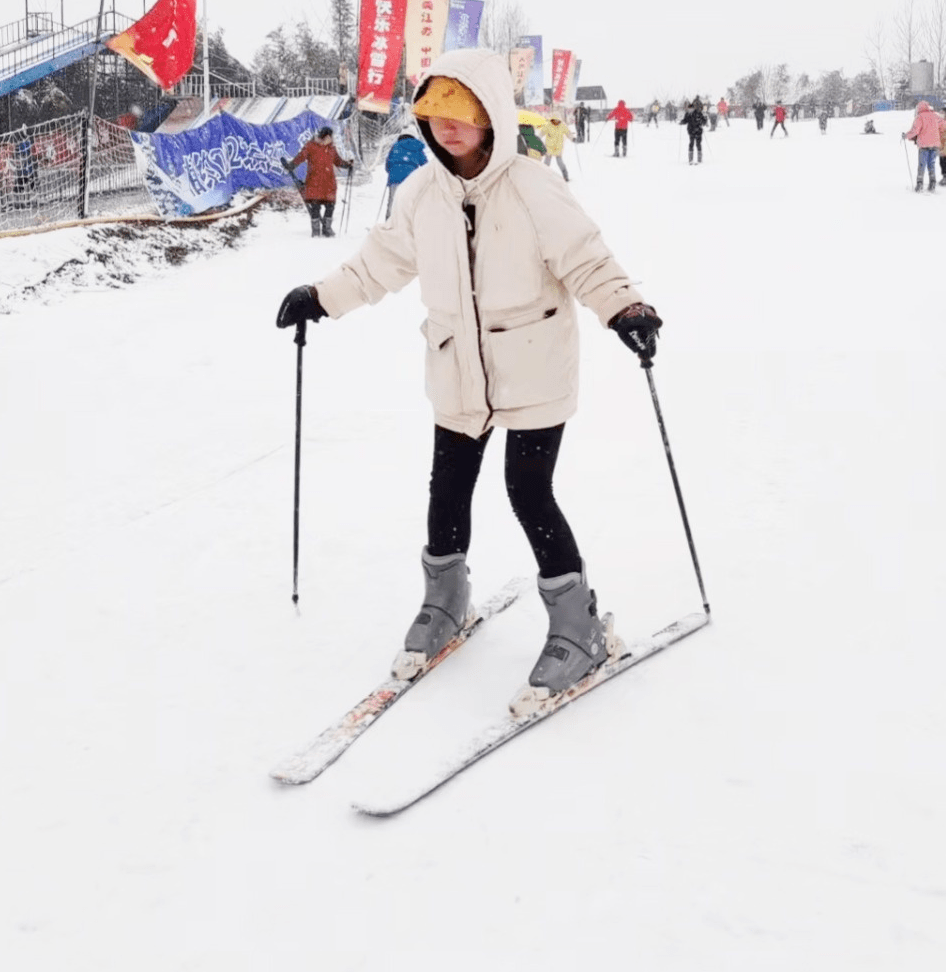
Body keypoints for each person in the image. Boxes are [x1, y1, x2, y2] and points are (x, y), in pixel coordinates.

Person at [275, 50, 662, 714]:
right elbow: (379, 262)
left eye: (461, 113)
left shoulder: (534, 187)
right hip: (457, 364)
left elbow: (586, 259)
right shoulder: (425, 192)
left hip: (534, 357)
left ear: (491, 115)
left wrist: (624, 306)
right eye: (434, 113)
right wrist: (322, 296)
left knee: (527, 489)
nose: (447, 127)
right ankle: (445, 598)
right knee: (447, 485)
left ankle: (580, 624)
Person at [282, 125, 352, 236]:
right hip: (314, 182)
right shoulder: (311, 146)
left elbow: (337, 161)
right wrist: (291, 165)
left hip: (328, 183)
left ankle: (327, 229)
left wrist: (347, 164)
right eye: (330, 137)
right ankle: (315, 231)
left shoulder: (331, 148)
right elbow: (301, 157)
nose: (331, 139)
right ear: (325, 136)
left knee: (330, 206)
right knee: (315, 206)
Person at [383, 132, 428, 218]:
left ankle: (389, 223)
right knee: (410, 201)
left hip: (395, 177)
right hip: (411, 178)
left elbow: (388, 163)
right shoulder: (416, 146)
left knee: (393, 202)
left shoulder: (395, 146)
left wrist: (391, 171)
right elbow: (425, 164)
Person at [903, 99, 943, 191]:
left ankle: (919, 184)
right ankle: (932, 184)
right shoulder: (935, 116)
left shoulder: (920, 117)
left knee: (922, 165)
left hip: (924, 145)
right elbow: (943, 127)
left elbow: (915, 131)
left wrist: (906, 136)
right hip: (935, 145)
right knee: (931, 165)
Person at [541, 114, 573, 181]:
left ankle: (565, 176)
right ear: (552, 120)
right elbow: (542, 132)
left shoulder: (562, 126)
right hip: (549, 147)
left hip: (558, 147)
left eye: (557, 121)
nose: (556, 122)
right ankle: (543, 176)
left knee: (560, 163)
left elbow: (568, 133)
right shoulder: (548, 125)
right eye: (555, 120)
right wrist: (538, 138)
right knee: (546, 163)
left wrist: (572, 138)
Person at [680, 97, 706, 164]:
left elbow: (704, 120)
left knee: (698, 144)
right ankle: (690, 159)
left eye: (691, 109)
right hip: (691, 131)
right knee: (691, 144)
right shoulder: (687, 114)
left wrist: (703, 121)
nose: (690, 110)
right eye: (689, 109)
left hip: (698, 131)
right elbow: (685, 120)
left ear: (693, 108)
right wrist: (682, 122)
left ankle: (699, 159)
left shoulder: (698, 113)